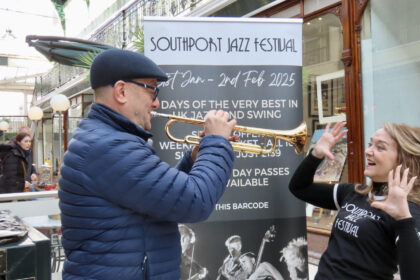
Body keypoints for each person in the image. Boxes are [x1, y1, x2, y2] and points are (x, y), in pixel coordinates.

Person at [58, 48, 236, 280]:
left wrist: (195, 158)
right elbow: (196, 201)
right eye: (152, 90)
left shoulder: (108, 139)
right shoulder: (110, 146)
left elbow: (159, 200)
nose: (157, 103)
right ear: (121, 91)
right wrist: (217, 142)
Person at [289, 122, 420, 279]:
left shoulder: (406, 211)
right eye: (370, 144)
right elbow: (299, 188)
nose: (368, 151)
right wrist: (316, 154)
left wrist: (403, 220)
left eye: (380, 147)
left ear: (403, 160)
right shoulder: (355, 192)